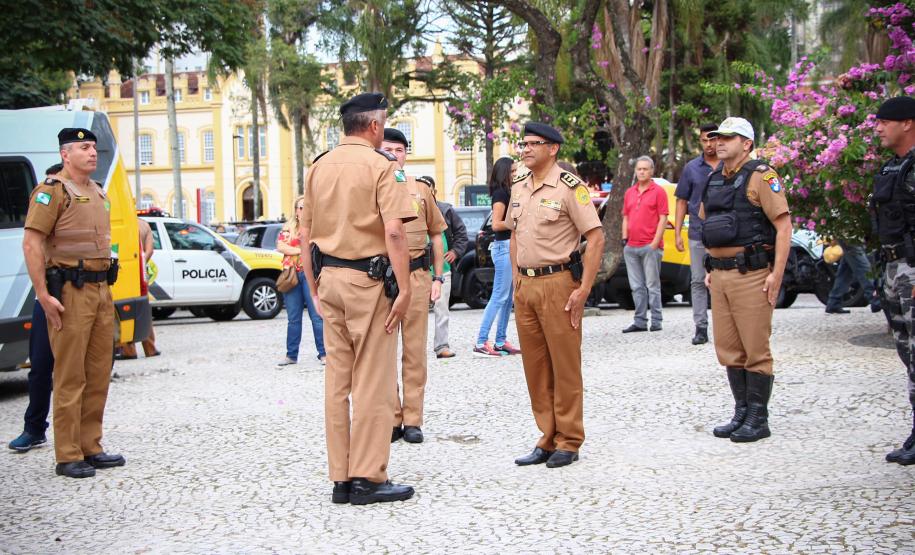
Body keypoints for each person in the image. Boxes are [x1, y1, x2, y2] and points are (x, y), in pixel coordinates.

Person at [298, 92, 417, 504]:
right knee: (373, 381)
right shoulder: (381, 167)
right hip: (368, 282)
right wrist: (405, 288)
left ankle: (341, 479)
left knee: (337, 382)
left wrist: (313, 287)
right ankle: (367, 477)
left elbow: (304, 233)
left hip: (329, 279)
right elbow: (395, 231)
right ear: (374, 126)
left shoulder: (318, 167)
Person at [22, 128, 125, 478]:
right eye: (84, 147)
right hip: (69, 291)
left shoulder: (98, 191)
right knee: (70, 374)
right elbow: (31, 244)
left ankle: (90, 446)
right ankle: (67, 454)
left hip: (101, 290)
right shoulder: (52, 192)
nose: (93, 153)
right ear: (65, 155)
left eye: (94, 147)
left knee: (98, 372)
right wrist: (43, 295)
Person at [508, 122, 604, 468]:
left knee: (564, 366)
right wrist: (516, 280)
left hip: (558, 283)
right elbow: (514, 234)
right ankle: (547, 437)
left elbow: (595, 237)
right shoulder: (518, 185)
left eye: (534, 143)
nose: (526, 149)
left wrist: (584, 289)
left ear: (553, 149)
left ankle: (569, 439)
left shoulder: (569, 187)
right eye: (524, 143)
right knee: (535, 367)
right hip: (526, 286)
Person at [701, 117, 791, 443]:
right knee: (728, 348)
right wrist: (709, 267)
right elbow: (710, 225)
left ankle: (758, 417)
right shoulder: (714, 179)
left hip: (751, 274)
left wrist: (776, 275)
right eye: (717, 137)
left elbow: (783, 227)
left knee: (755, 347)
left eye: (728, 138)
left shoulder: (761, 177)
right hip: (720, 274)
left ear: (747, 144)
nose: (719, 142)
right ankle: (741, 412)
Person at [380, 128, 447, 445]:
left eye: (399, 149)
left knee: (415, 350)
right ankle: (393, 417)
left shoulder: (420, 189)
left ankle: (412, 419)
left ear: (406, 154)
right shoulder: (370, 187)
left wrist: (438, 276)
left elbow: (436, 233)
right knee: (383, 351)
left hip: (418, 275)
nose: (394, 154)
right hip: (382, 277)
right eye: (387, 149)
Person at [870, 96, 915, 466]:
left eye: (885, 121)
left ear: (908, 123)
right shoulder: (891, 167)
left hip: (912, 269)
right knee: (907, 353)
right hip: (892, 268)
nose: (878, 128)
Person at [8, 163, 63, 453]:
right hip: (48, 292)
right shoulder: (44, 205)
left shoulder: (85, 202)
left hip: (80, 292)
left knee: (79, 370)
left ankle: (83, 437)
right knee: (41, 364)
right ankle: (34, 428)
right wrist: (41, 293)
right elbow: (31, 246)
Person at [675, 123, 720, 344]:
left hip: (725, 233)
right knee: (698, 280)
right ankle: (700, 327)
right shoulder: (691, 168)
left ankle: (725, 325)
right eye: (705, 140)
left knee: (723, 280)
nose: (709, 144)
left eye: (712, 139)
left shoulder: (730, 164)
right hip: (697, 232)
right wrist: (677, 233)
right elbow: (681, 201)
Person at [474, 157, 522, 357]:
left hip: (509, 247)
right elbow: (496, 224)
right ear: (504, 173)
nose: (515, 174)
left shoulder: (509, 192)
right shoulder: (500, 194)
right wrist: (518, 222)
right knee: (499, 296)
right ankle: (481, 342)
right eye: (512, 171)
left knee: (508, 299)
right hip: (503, 248)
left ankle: (501, 341)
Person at [417, 175, 468, 359]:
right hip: (419, 270)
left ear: (434, 191)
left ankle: (441, 345)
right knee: (417, 312)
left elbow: (461, 233)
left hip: (443, 269)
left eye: (428, 189)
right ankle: (416, 349)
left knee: (442, 310)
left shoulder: (446, 210)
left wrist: (455, 251)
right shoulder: (412, 208)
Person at [276, 194, 326, 366]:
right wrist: (302, 250)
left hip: (309, 273)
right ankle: (291, 355)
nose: (303, 210)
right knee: (293, 318)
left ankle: (324, 353)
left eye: (306, 207)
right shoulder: (288, 228)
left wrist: (296, 248)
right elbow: (281, 246)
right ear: (296, 211)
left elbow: (317, 246)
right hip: (291, 275)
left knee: (317, 316)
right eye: (301, 207)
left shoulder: (316, 227)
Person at [621, 156, 668, 333]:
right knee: (636, 287)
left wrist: (655, 243)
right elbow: (626, 216)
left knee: (652, 285)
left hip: (650, 246)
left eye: (645, 169)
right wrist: (624, 240)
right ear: (635, 171)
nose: (641, 172)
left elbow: (663, 218)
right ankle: (640, 321)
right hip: (631, 247)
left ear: (652, 171)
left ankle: (656, 321)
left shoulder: (659, 192)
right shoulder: (629, 192)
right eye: (639, 169)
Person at [115, 217, 160, 359]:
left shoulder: (118, 223)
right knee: (143, 307)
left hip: (123, 271)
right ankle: (150, 348)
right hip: (140, 272)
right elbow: (150, 251)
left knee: (123, 309)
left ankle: (129, 350)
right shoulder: (144, 225)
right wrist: (140, 264)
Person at [824, 240, 879, 314]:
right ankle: (875, 299)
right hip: (849, 237)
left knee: (846, 270)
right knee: (863, 267)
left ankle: (834, 302)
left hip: (848, 236)